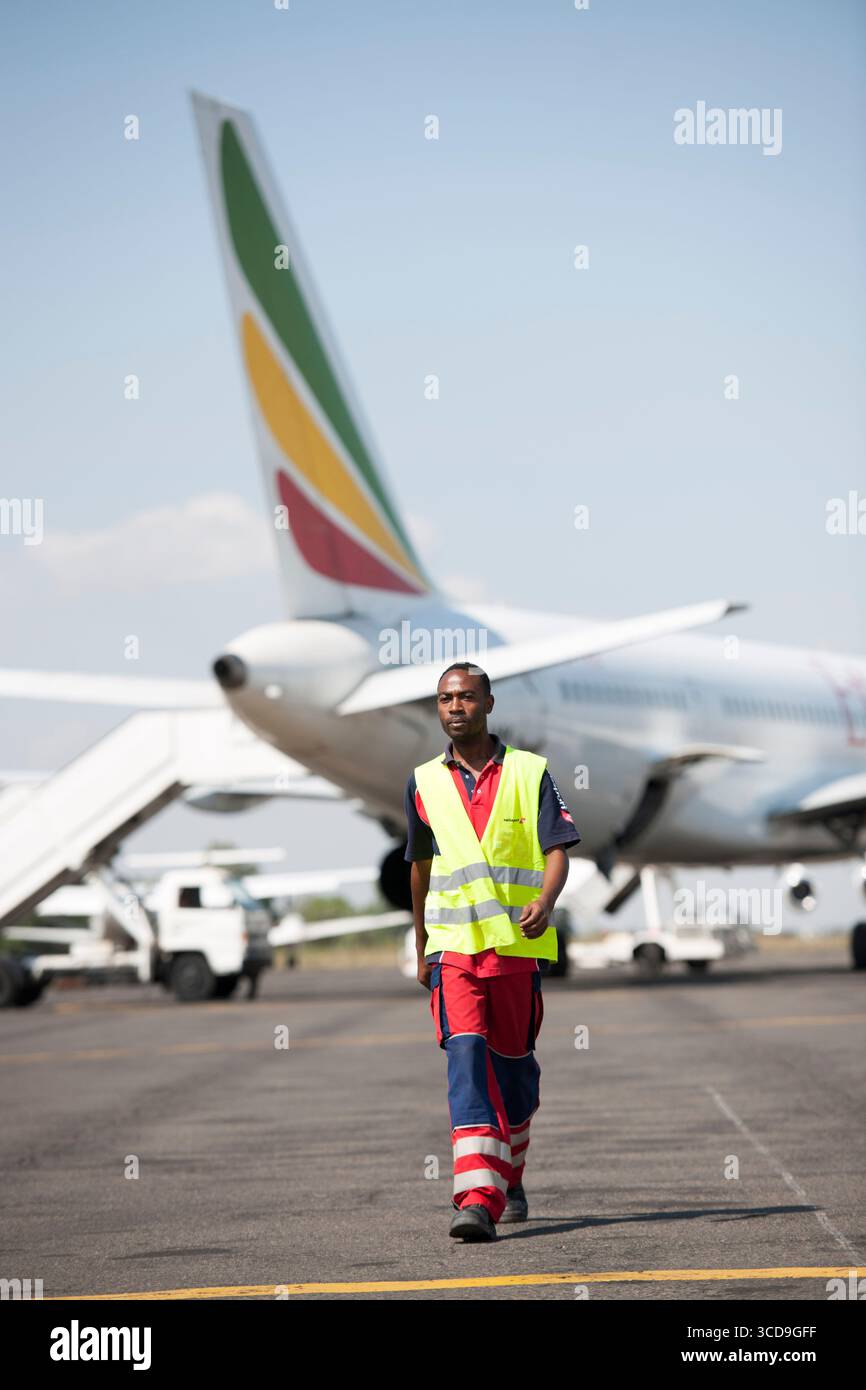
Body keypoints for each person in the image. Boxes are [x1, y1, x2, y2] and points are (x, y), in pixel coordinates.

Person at [404, 661, 580, 1241]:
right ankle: (477, 1198)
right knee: (466, 1060)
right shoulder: (423, 781)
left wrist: (548, 901)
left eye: (467, 697)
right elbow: (420, 867)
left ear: (489, 704)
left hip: (515, 952)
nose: (455, 707)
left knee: (515, 1075)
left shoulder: (531, 774)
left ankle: (510, 1171)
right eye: (445, 698)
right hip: (455, 953)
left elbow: (557, 848)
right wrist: (421, 943)